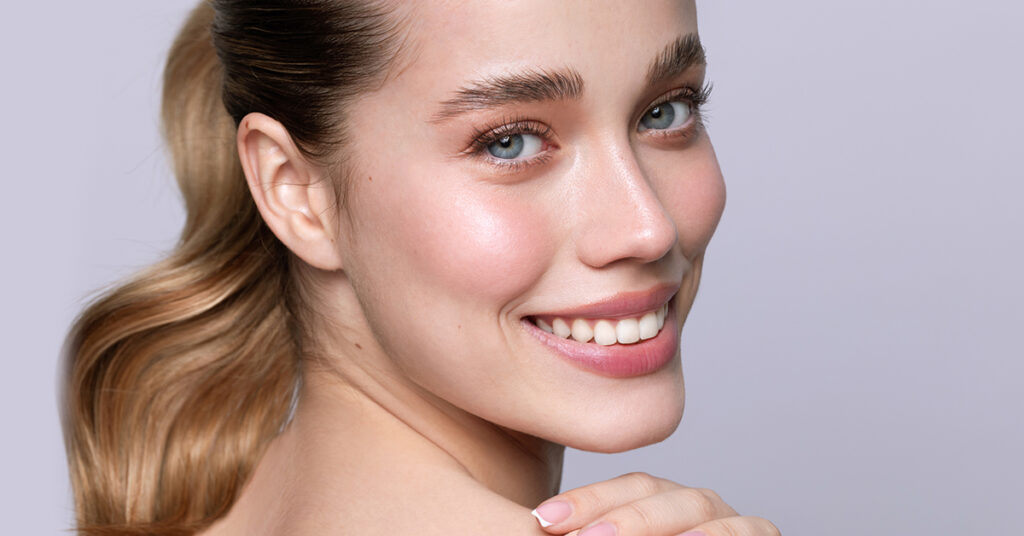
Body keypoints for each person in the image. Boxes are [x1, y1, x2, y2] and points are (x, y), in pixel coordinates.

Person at [62, 1, 779, 535]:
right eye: (510, 142)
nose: (647, 228)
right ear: (295, 192)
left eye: (666, 112)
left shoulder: (231, 509)